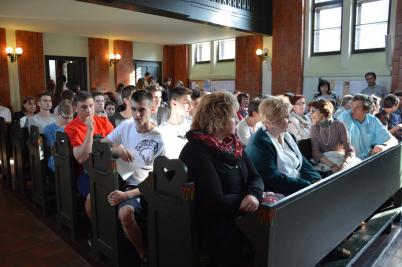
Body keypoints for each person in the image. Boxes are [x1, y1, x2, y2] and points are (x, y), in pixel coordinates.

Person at [179, 91, 263, 267]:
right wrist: (246, 198)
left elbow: (255, 177)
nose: (237, 119)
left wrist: (254, 195)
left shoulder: (233, 145)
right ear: (218, 119)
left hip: (239, 216)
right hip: (216, 227)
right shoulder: (196, 150)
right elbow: (214, 200)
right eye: (233, 116)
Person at [105, 90, 164, 266]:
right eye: (134, 109)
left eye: (142, 110)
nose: (137, 115)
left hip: (147, 186)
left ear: (152, 109)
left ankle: (143, 255)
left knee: (125, 212)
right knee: (93, 198)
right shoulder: (126, 126)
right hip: (125, 179)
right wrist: (115, 150)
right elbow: (100, 146)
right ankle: (110, 241)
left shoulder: (160, 138)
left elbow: (158, 179)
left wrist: (127, 196)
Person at [246, 95, 321, 195]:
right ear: (270, 120)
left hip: (297, 186)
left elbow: (302, 161)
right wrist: (307, 186)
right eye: (286, 117)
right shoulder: (260, 143)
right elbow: (273, 179)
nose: (289, 120)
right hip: (279, 193)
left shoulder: (287, 135)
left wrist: (317, 179)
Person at [64, 91, 114, 219]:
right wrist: (89, 131)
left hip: (109, 170)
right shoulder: (71, 128)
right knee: (93, 197)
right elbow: (81, 158)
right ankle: (97, 230)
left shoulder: (104, 122)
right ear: (75, 108)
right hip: (87, 173)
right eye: (84, 107)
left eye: (91, 105)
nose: (89, 110)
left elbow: (117, 145)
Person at [338, 94, 397, 159]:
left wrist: (383, 146)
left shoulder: (373, 120)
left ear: (366, 109)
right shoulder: (345, 117)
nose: (353, 110)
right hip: (348, 162)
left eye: (357, 107)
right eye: (352, 107)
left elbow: (393, 140)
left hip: (366, 161)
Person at [309, 99, 358, 173]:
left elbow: (349, 150)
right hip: (325, 163)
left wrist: (344, 164)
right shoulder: (314, 128)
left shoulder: (339, 125)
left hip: (341, 159)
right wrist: (333, 166)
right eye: (310, 112)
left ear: (322, 112)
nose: (310, 114)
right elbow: (316, 152)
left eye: (313, 111)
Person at [157, 87, 192, 159]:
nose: (190, 107)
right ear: (174, 103)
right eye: (187, 103)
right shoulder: (161, 132)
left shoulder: (192, 125)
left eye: (190, 103)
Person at [43, 100, 74, 172]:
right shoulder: (48, 129)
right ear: (58, 114)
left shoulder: (73, 126)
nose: (69, 120)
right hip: (56, 156)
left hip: (72, 154)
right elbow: (52, 149)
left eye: (71, 117)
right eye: (66, 118)